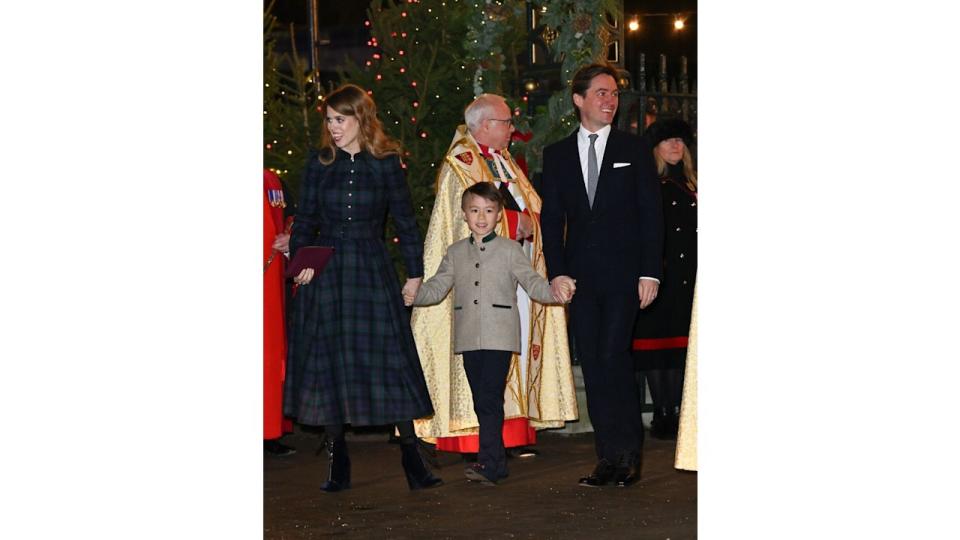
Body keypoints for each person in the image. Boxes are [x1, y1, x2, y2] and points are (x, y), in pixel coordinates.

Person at [283, 83, 442, 492]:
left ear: (361, 118)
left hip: (371, 268)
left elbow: (405, 222)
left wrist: (414, 273)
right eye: (329, 120)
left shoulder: (386, 163)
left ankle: (412, 456)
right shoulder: (319, 163)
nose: (333, 127)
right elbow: (304, 221)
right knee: (330, 361)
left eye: (341, 119)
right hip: (328, 272)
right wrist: (301, 262)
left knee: (389, 359)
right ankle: (338, 461)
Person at [410, 94, 579, 461]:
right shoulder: (461, 165)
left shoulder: (503, 162)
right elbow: (462, 224)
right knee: (481, 373)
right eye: (506, 122)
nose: (511, 129)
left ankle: (510, 435)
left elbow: (533, 209)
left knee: (507, 361)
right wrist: (515, 223)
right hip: (477, 287)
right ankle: (477, 443)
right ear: (484, 125)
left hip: (511, 275)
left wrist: (531, 227)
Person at [540, 63, 664, 488]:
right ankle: (606, 457)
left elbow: (652, 215)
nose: (610, 101)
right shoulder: (556, 155)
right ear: (579, 99)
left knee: (613, 356)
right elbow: (551, 221)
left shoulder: (633, 149)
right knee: (593, 364)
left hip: (626, 276)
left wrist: (650, 272)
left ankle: (629, 454)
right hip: (581, 281)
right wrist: (557, 274)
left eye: (613, 94)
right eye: (601, 93)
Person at [405, 183, 575, 485]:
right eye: (474, 211)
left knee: (488, 398)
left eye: (488, 211)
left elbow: (533, 283)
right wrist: (413, 295)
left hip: (500, 335)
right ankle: (495, 463)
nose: (481, 217)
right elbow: (438, 287)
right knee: (482, 400)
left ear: (498, 216)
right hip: (469, 337)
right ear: (464, 215)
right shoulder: (455, 252)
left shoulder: (510, 250)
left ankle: (490, 463)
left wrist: (554, 292)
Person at [632, 118, 698, 440]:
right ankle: (663, 411)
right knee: (659, 344)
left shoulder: (692, 184)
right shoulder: (649, 182)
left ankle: (677, 411)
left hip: (690, 274)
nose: (676, 146)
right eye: (668, 140)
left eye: (680, 141)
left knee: (681, 345)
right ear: (655, 147)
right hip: (662, 273)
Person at [264, 169, 296, 456]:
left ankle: (268, 431)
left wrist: (290, 238)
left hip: (271, 281)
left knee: (271, 356)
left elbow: (290, 221)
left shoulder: (272, 181)